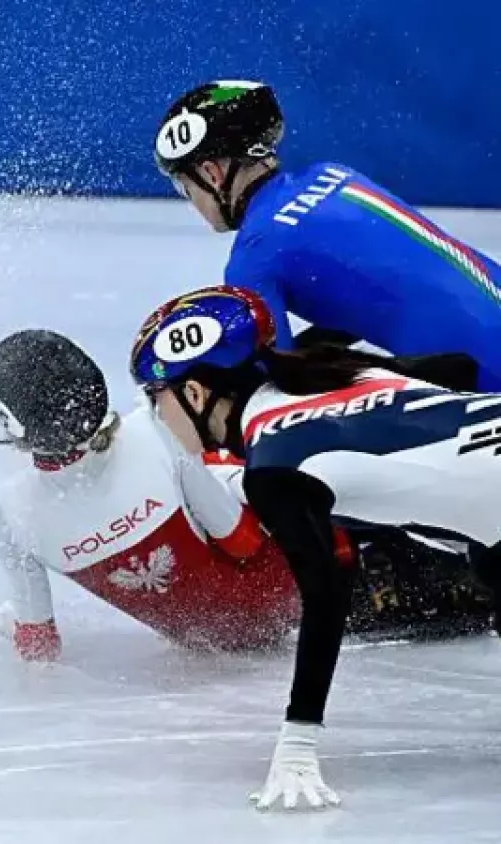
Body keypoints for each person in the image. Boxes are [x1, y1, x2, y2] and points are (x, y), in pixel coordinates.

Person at [129, 284, 501, 812]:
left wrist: (298, 737)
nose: (156, 418)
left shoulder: (273, 465)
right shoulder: (331, 369)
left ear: (194, 395)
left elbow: (326, 595)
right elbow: (459, 369)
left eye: (155, 398)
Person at [0, 331, 487, 663]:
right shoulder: (152, 434)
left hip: (214, 641)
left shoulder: (9, 508)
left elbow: (38, 641)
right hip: (304, 583)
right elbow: (240, 542)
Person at [153, 80, 501, 387]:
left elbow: (271, 390)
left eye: (186, 188)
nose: (192, 203)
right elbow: (380, 291)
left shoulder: (254, 255)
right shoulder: (334, 174)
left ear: (212, 174)